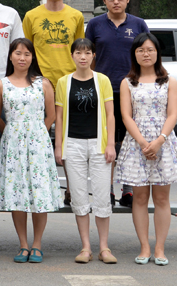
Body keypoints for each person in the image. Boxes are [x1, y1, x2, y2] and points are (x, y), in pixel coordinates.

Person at [0, 38, 60, 264]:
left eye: (27, 54)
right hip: (12, 145)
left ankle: (37, 244)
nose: (22, 58)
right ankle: (23, 244)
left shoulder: (43, 83)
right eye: (18, 53)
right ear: (10, 56)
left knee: (39, 193)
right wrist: (11, 130)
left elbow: (51, 114)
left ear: (33, 58)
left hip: (38, 144)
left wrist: (37, 131)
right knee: (17, 194)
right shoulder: (1, 84)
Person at [23, 0, 85, 206]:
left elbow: (80, 50)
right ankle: (38, 188)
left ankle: (72, 189)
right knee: (39, 137)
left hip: (70, 83)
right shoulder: (31, 16)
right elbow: (26, 50)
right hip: (40, 83)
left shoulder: (76, 16)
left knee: (70, 140)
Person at [85, 0, 149, 208]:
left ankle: (128, 190)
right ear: (104, 0)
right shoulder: (95, 24)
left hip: (132, 89)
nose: (116, 1)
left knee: (131, 140)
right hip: (104, 90)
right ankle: (108, 189)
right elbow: (88, 56)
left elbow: (146, 54)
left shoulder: (139, 24)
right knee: (107, 141)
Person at [115, 33, 177, 266]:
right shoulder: (127, 82)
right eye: (141, 50)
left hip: (164, 143)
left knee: (161, 199)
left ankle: (159, 248)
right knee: (139, 198)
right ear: (135, 54)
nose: (146, 54)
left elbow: (173, 114)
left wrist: (160, 140)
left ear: (157, 52)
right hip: (136, 144)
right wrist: (142, 143)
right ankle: (144, 246)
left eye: (150, 49)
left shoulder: (169, 81)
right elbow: (126, 116)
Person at [54, 38, 117, 264]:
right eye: (79, 53)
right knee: (79, 196)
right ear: (72, 56)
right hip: (73, 144)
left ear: (93, 55)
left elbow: (110, 114)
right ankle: (86, 247)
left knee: (102, 196)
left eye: (87, 52)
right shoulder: (63, 82)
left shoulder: (102, 80)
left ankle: (104, 248)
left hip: (99, 144)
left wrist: (110, 144)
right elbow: (59, 117)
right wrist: (59, 146)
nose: (83, 57)